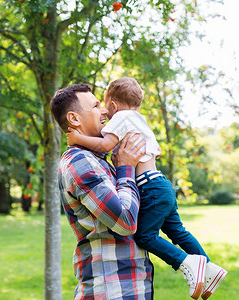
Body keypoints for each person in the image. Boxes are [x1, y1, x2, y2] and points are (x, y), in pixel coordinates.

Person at [66, 78, 227, 300]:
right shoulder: (139, 121)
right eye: (95, 107)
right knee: (177, 231)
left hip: (148, 187)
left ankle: (186, 262)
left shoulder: (120, 119)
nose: (103, 111)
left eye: (102, 105)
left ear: (113, 105)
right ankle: (208, 267)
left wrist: (77, 137)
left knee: (146, 235)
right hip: (160, 183)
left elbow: (104, 145)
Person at [50, 83, 154, 299]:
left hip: (128, 287)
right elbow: (125, 221)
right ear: (74, 119)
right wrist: (126, 167)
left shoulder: (100, 161)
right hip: (110, 290)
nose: (105, 110)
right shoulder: (79, 162)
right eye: (96, 106)